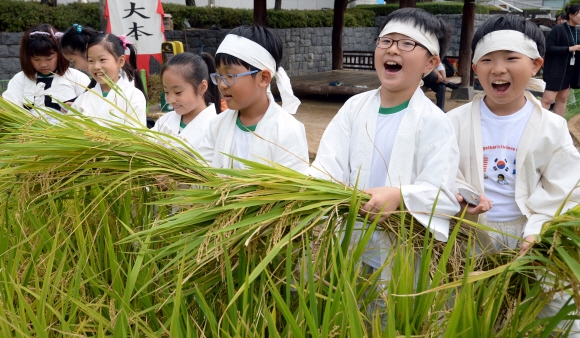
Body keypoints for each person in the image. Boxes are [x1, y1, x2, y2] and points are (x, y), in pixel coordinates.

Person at [447, 15, 580, 336]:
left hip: (532, 237)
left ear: (536, 65)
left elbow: (566, 189)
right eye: (487, 59)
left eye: (511, 58)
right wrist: (460, 194)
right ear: (475, 68)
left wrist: (537, 231)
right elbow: (441, 173)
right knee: (468, 310)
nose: (498, 69)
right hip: (471, 237)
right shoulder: (454, 121)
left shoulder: (552, 127)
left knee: (558, 314)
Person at [310, 8, 460, 281]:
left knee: (390, 316)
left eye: (406, 43)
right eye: (386, 41)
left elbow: (441, 193)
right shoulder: (354, 108)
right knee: (344, 307)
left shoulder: (435, 123)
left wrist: (400, 196)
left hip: (401, 248)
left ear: (430, 63)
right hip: (347, 235)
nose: (392, 50)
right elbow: (327, 165)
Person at [197, 25, 309, 173]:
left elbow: (293, 189)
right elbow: (200, 172)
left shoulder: (287, 131)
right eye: (219, 76)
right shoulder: (217, 125)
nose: (222, 85)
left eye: (230, 76)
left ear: (263, 78)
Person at [2, 23, 90, 119]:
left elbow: (91, 109)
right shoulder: (19, 80)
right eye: (36, 59)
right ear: (27, 57)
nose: (43, 64)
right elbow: (9, 111)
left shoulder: (77, 78)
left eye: (49, 59)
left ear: (60, 54)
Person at [71, 33, 147, 127]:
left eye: (102, 59)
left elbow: (136, 133)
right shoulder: (83, 99)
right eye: (91, 61)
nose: (96, 66)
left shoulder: (134, 96)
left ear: (120, 61)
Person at [152, 52, 221, 148]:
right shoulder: (165, 121)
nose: (170, 100)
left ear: (202, 87)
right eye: (166, 92)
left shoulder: (216, 128)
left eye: (178, 92)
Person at [541, 4, 580, 116]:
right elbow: (548, 48)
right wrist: (569, 49)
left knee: (562, 99)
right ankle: (539, 126)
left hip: (570, 70)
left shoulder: (578, 30)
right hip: (556, 70)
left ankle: (557, 127)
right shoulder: (559, 29)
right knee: (547, 100)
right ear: (571, 15)